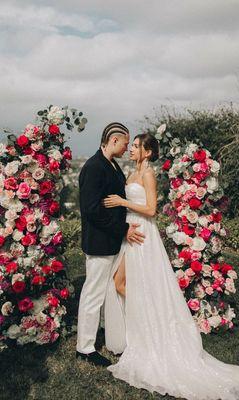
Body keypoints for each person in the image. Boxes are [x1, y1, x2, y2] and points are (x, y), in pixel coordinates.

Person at [102, 133, 239, 399]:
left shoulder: (148, 175)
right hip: (129, 231)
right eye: (130, 145)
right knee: (120, 283)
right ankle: (146, 322)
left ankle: (152, 327)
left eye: (135, 146)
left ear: (146, 151)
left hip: (143, 232)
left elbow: (152, 209)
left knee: (131, 282)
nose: (131, 148)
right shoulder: (131, 174)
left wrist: (121, 202)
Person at [76, 122, 145, 367]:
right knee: (93, 294)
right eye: (126, 143)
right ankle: (84, 347)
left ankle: (104, 332)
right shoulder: (94, 168)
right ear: (114, 140)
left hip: (111, 241)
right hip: (99, 242)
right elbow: (92, 209)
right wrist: (124, 228)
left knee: (105, 291)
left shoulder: (111, 165)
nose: (127, 148)